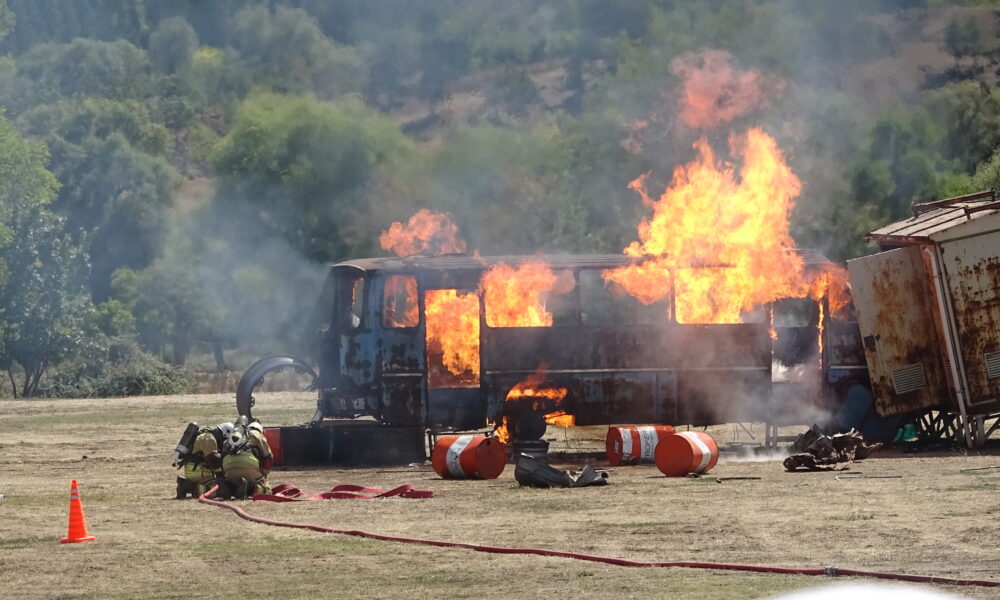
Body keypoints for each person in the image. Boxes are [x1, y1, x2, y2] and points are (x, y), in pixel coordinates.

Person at [218, 419, 273, 500]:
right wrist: (263, 475)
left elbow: (222, 458)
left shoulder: (231, 437)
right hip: (248, 463)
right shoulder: (258, 435)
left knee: (234, 482)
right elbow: (268, 458)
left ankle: (228, 486)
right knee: (267, 489)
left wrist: (225, 474)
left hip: (228, 465)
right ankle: (249, 488)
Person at [176, 422, 233, 499]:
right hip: (200, 474)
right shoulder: (209, 439)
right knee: (223, 489)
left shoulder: (204, 435)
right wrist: (222, 476)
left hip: (194, 472)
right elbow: (214, 461)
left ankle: (187, 484)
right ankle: (190, 487)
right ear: (225, 434)